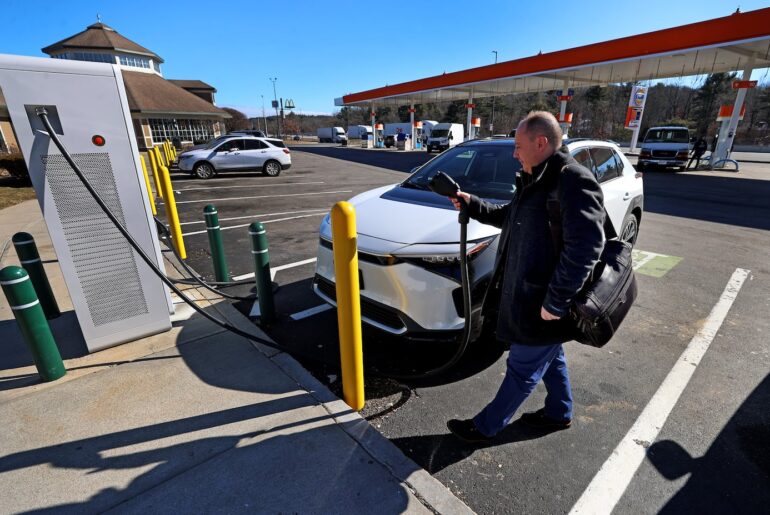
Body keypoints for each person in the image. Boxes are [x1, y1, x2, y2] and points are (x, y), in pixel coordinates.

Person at [446, 111, 605, 443]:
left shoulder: (572, 180)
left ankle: (485, 427)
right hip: (528, 297)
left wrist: (556, 301)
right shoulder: (535, 177)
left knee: (522, 368)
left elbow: (587, 246)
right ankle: (559, 412)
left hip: (543, 301)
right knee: (550, 355)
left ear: (541, 142)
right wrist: (471, 203)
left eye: (518, 146)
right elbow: (511, 216)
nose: (515, 154)